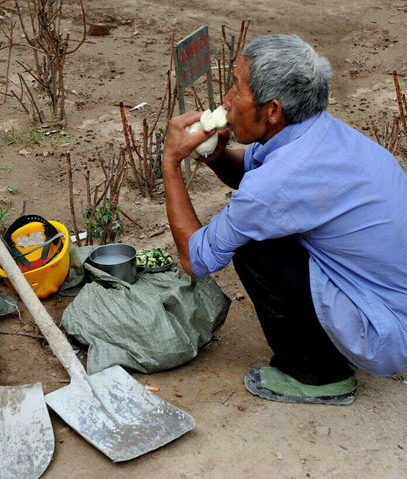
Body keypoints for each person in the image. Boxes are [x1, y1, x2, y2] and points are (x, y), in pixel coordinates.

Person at [162, 34, 407, 405]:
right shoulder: (317, 132)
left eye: (237, 89)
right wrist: (215, 156)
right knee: (256, 226)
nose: (226, 99)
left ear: (273, 110)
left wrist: (171, 162)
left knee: (253, 247)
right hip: (391, 302)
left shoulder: (281, 180)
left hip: (384, 332)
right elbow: (252, 173)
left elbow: (196, 259)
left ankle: (321, 376)